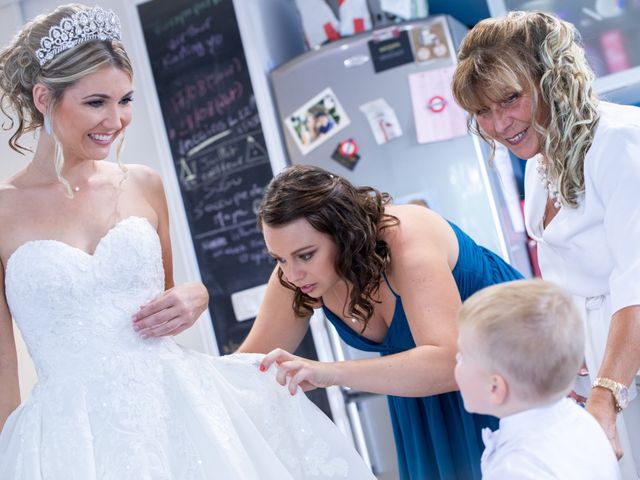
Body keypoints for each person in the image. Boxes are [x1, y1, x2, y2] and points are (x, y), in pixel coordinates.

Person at [0, 5, 376, 479]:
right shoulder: (2, 213)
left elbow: (166, 306)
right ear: (42, 97)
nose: (116, 120)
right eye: (96, 102)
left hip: (172, 407)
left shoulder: (144, 184)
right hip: (72, 440)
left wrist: (195, 295)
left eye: (125, 100)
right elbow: (2, 366)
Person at [239, 164, 523, 480]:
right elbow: (245, 367)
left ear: (344, 234)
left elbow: (449, 362)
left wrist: (328, 372)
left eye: (306, 255)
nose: (290, 274)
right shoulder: (295, 275)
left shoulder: (406, 237)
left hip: (507, 372)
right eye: (278, 259)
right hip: (422, 400)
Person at [451, 10, 640, 477]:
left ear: (551, 78)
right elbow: (562, 272)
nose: (498, 124)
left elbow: (637, 283)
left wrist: (606, 397)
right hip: (600, 364)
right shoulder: (540, 162)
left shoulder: (620, 142)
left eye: (510, 99)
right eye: (482, 111)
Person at [455, 279, 621, 479]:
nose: (456, 359)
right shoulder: (584, 423)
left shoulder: (514, 469)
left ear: (495, 388)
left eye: (462, 355)